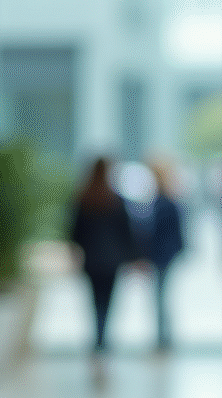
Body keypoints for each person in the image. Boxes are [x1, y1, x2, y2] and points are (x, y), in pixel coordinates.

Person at [69, 157, 141, 367]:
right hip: (111, 260)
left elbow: (75, 232)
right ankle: (102, 341)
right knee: (107, 303)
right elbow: (126, 232)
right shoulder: (114, 199)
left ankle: (98, 341)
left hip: (91, 259)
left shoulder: (83, 197)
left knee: (95, 302)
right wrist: (134, 256)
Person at [144, 156, 185, 352]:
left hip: (163, 255)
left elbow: (173, 232)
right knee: (160, 296)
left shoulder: (166, 202)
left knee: (161, 297)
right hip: (160, 254)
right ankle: (163, 336)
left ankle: (164, 337)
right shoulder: (160, 200)